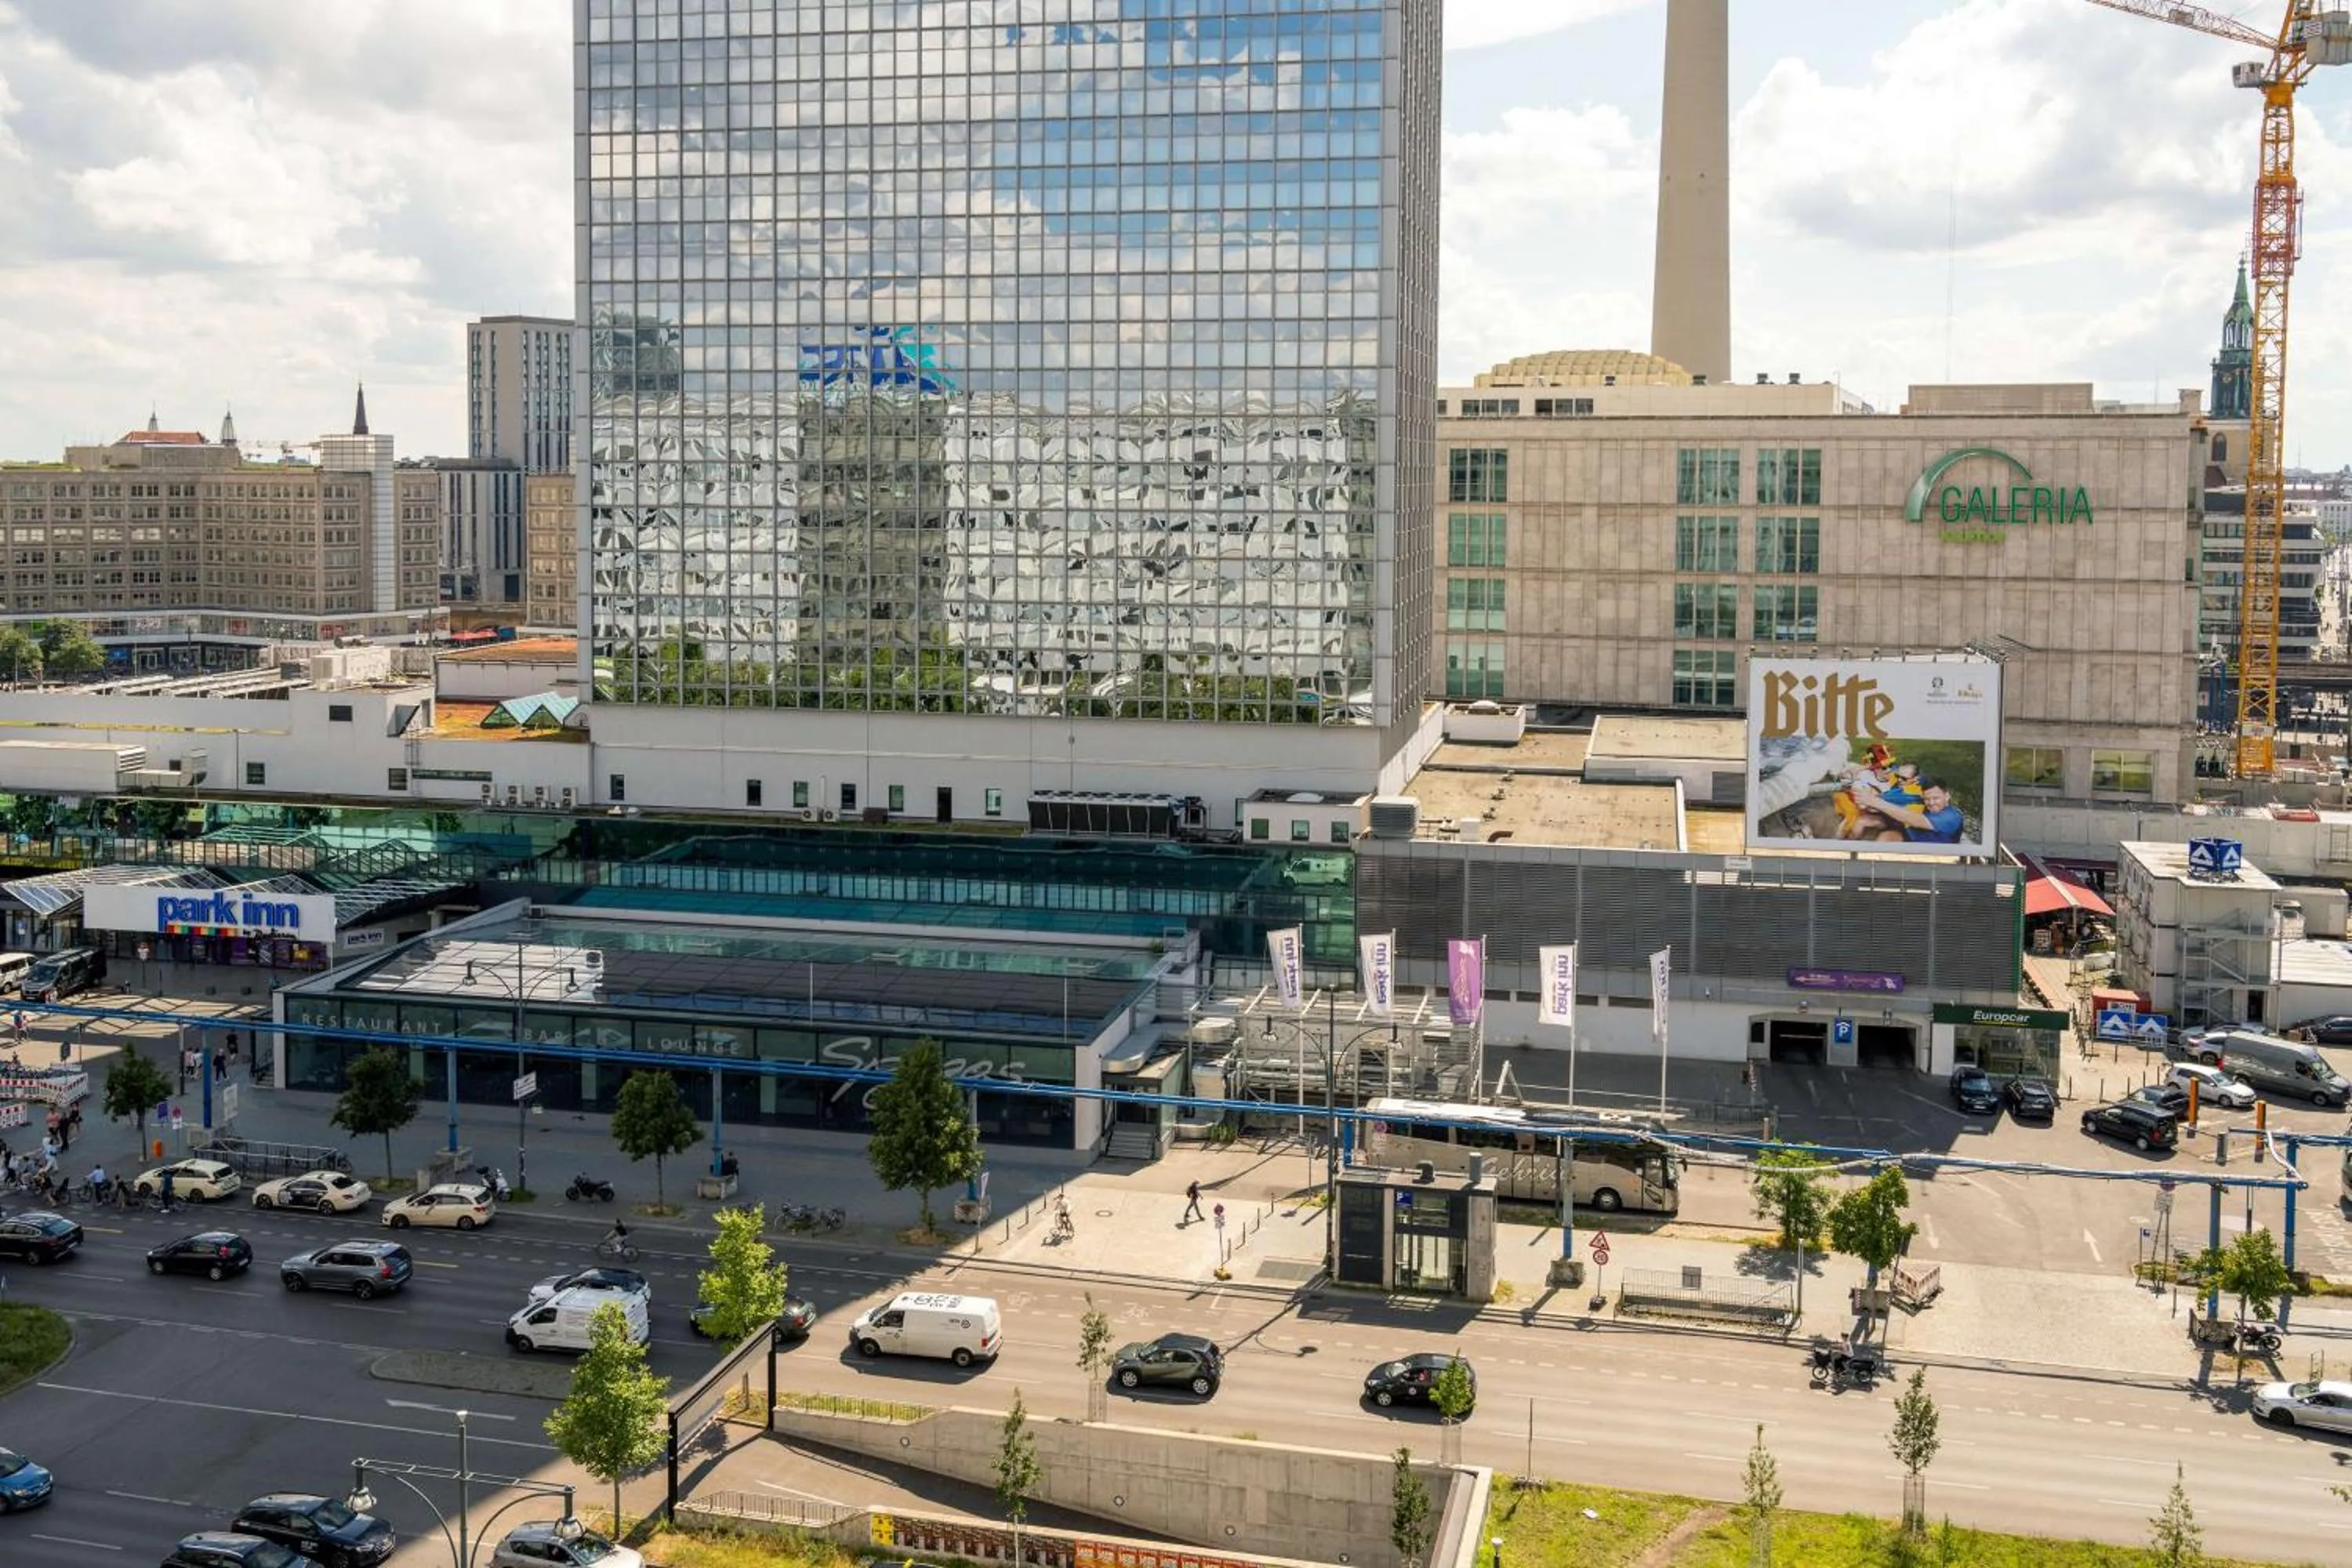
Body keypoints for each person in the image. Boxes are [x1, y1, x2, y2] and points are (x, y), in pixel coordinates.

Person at [1858, 777, 1967, 845]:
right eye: (1927, 799)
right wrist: (1873, 800)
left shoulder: (1952, 817)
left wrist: (1875, 802)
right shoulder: (1921, 801)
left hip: (1933, 853)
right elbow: (1901, 798)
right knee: (1871, 826)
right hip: (1910, 837)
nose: (1931, 803)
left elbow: (1917, 821)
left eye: (1936, 798)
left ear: (1947, 796)